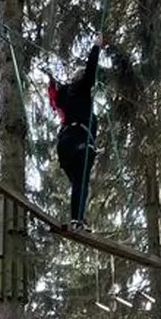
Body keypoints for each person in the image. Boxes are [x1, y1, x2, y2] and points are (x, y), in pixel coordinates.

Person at [47, 37, 103, 225]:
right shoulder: (82, 88)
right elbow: (91, 71)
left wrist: (52, 82)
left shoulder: (64, 94)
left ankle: (77, 218)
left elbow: (55, 98)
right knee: (81, 183)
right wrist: (95, 47)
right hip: (79, 141)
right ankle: (77, 220)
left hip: (64, 146)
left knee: (77, 184)